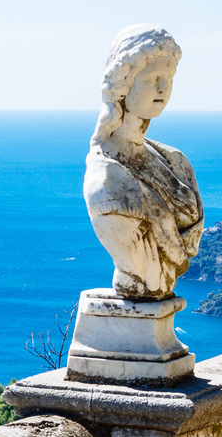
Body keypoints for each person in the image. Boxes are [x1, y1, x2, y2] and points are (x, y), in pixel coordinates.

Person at [83, 24, 202, 299]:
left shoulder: (175, 162)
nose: (163, 87)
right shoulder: (107, 180)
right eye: (153, 78)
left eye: (170, 77)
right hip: (143, 286)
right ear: (124, 83)